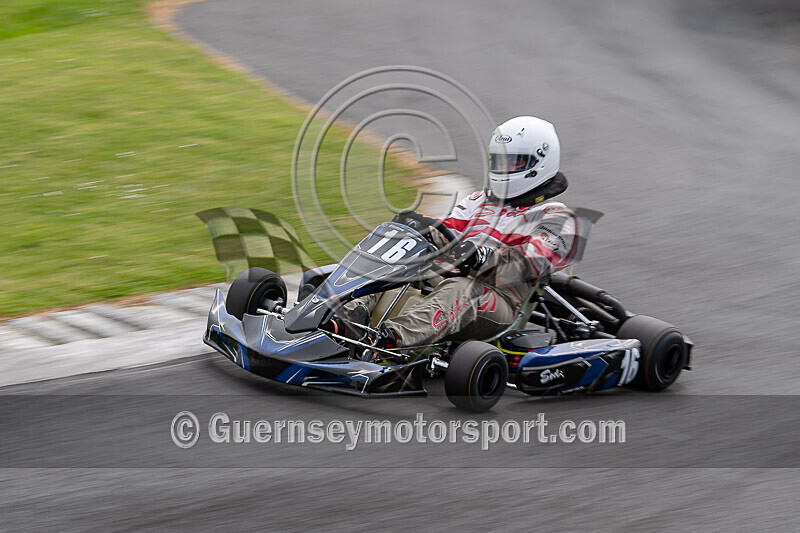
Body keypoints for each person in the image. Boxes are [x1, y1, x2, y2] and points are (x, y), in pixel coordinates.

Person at [328, 116, 580, 358]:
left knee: (463, 288)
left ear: (539, 163)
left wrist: (482, 257)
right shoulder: (479, 201)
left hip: (499, 299)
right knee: (391, 261)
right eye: (498, 161)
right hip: (446, 277)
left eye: (512, 163)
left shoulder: (557, 217)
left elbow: (529, 264)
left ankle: (385, 341)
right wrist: (419, 227)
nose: (502, 169)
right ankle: (340, 320)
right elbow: (446, 233)